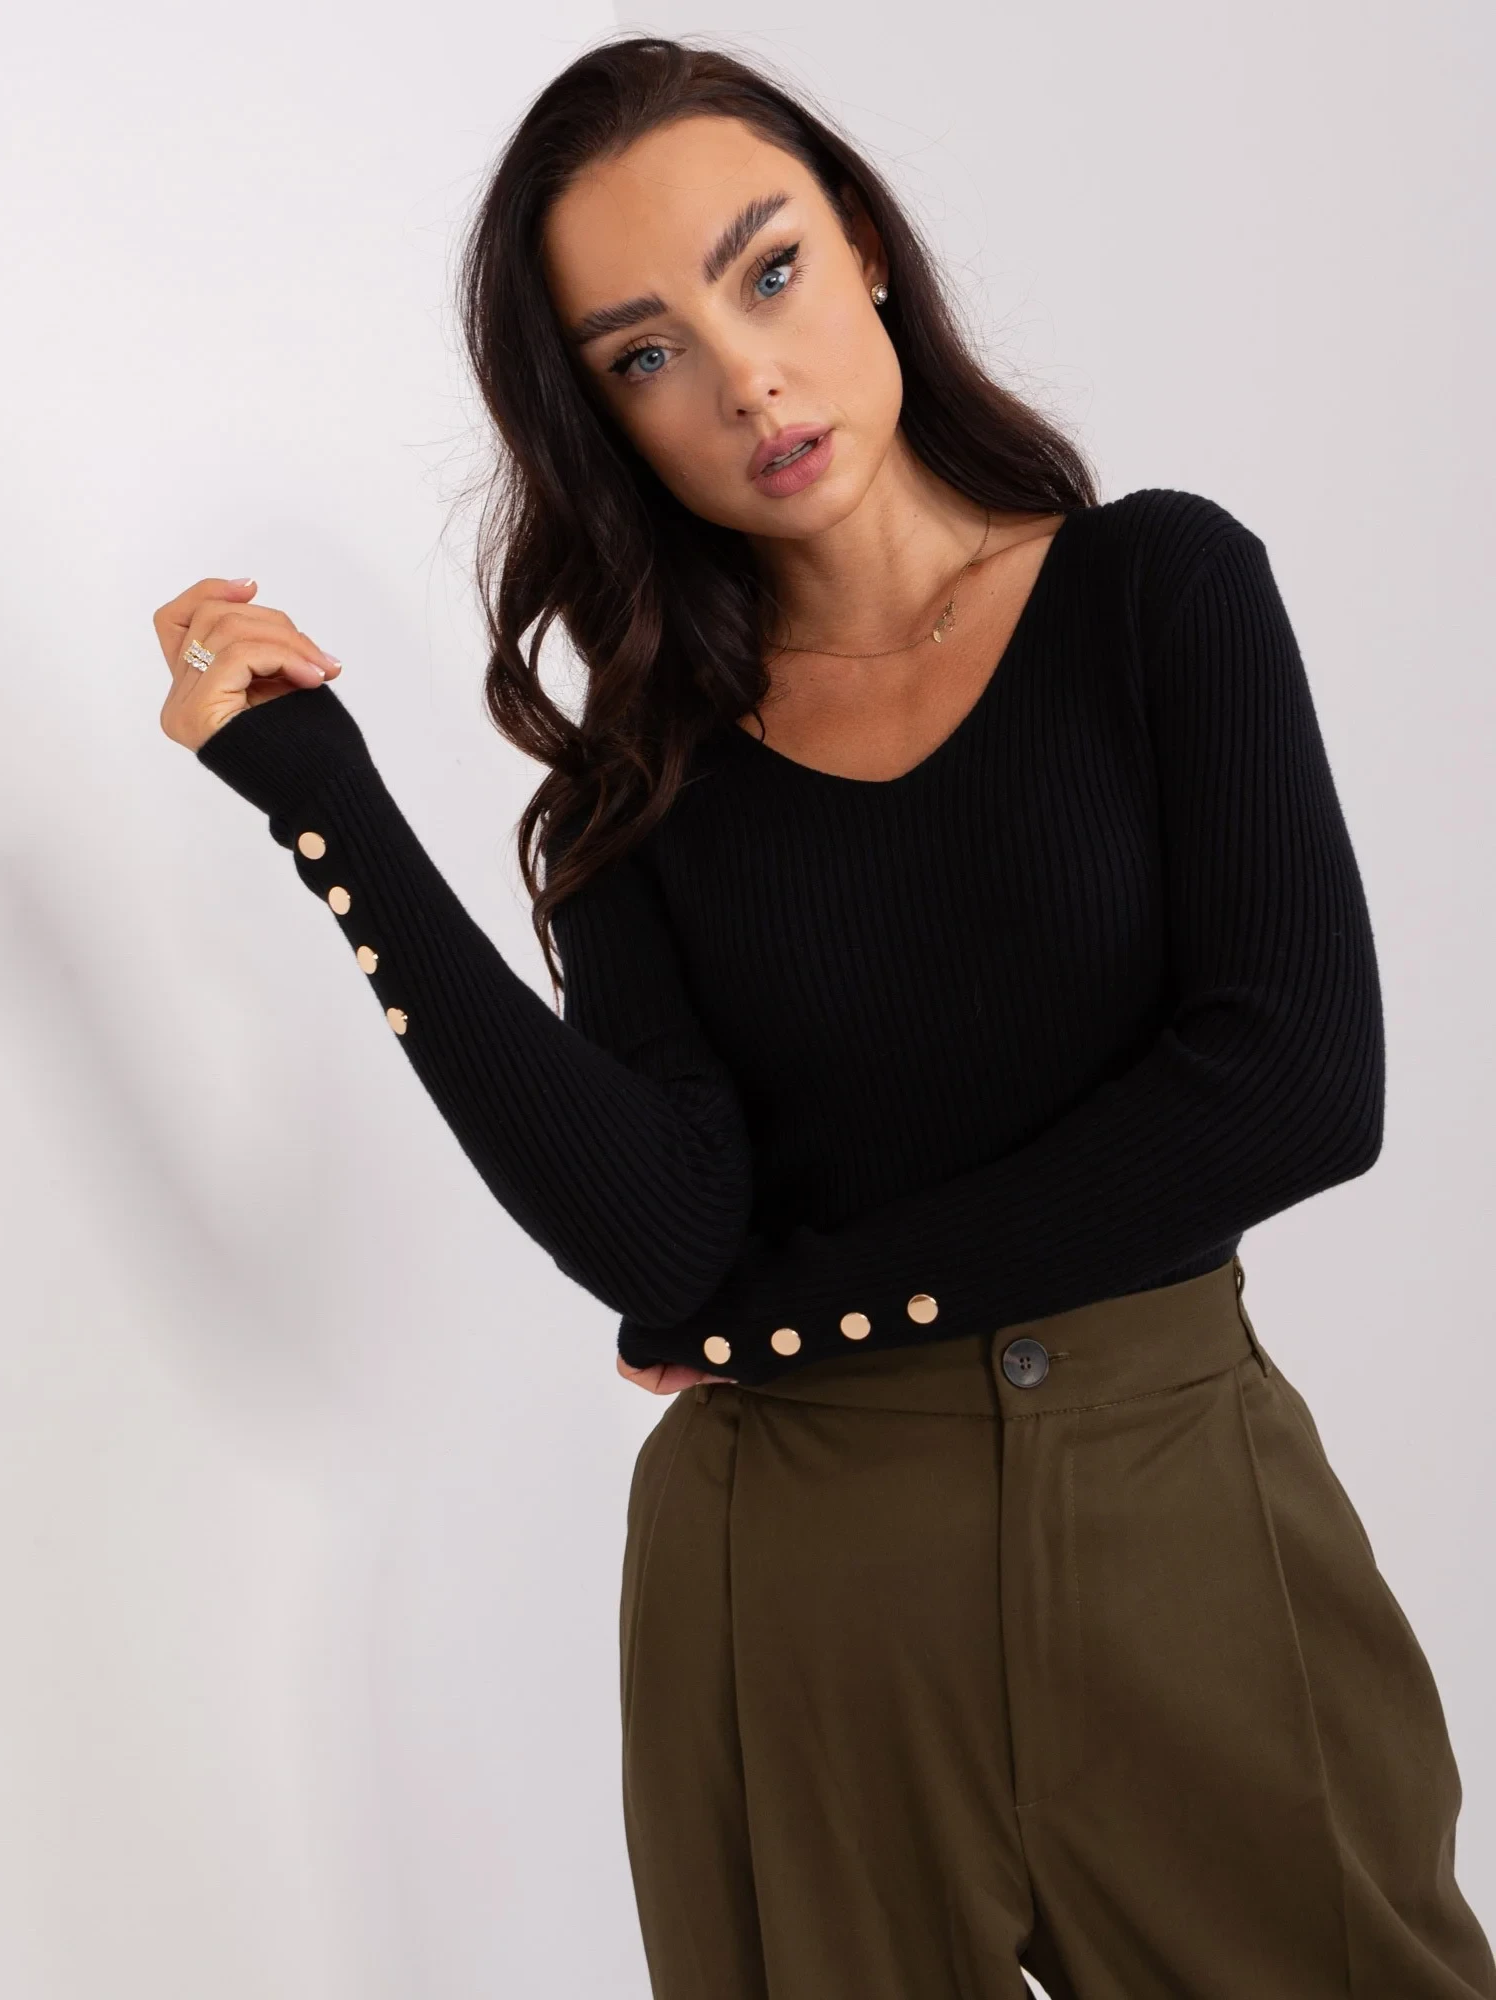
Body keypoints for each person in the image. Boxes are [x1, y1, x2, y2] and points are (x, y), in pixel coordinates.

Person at [153, 34, 1495, 2000]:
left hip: (1181, 1523)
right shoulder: (640, 790)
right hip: (790, 1581)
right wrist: (323, 804)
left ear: (862, 243)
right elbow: (660, 1238)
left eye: (765, 271)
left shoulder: (1158, 591)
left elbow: (1294, 1085)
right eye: (647, 353)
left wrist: (795, 1320)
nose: (744, 380)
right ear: (603, 416)